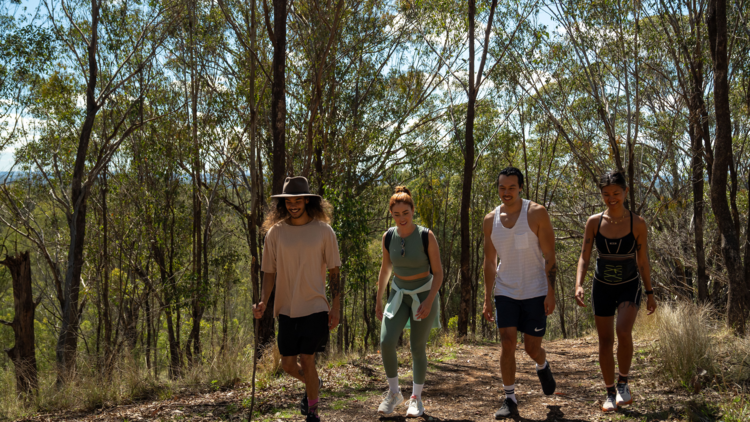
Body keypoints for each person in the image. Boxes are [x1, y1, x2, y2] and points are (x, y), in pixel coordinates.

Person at [253, 176, 342, 422]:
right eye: (288, 201)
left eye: (298, 199)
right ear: (282, 204)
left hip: (315, 306)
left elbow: (334, 271)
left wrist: (335, 307)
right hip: (286, 308)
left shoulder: (324, 231)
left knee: (307, 359)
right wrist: (262, 302)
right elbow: (269, 272)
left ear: (307, 201)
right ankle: (314, 383)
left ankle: (312, 411)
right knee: (288, 365)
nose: (293, 204)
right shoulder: (275, 234)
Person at [574, 171, 657, 412]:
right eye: (606, 194)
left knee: (623, 330)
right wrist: (579, 284)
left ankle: (623, 383)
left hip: (629, 284)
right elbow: (584, 256)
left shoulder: (638, 223)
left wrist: (650, 292)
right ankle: (610, 392)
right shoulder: (594, 222)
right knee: (605, 340)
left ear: (625, 193)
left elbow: (642, 260)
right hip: (602, 287)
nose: (611, 198)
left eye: (616, 193)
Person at [482, 167, 558, 419]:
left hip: (535, 290)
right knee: (507, 343)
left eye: (511, 187)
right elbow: (490, 261)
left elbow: (550, 255)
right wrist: (487, 298)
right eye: (502, 187)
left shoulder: (536, 213)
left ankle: (542, 364)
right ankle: (509, 398)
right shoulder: (490, 219)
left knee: (531, 348)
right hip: (505, 290)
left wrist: (550, 291)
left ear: (520, 188)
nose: (506, 192)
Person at [376, 186, 444, 418]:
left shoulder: (426, 236)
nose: (401, 218)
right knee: (386, 341)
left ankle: (416, 399)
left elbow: (438, 273)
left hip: (424, 294)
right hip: (398, 295)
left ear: (412, 211)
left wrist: (429, 301)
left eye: (405, 213)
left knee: (417, 347)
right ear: (391, 214)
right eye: (397, 214)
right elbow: (386, 270)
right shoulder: (388, 237)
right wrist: (378, 299)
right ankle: (394, 393)